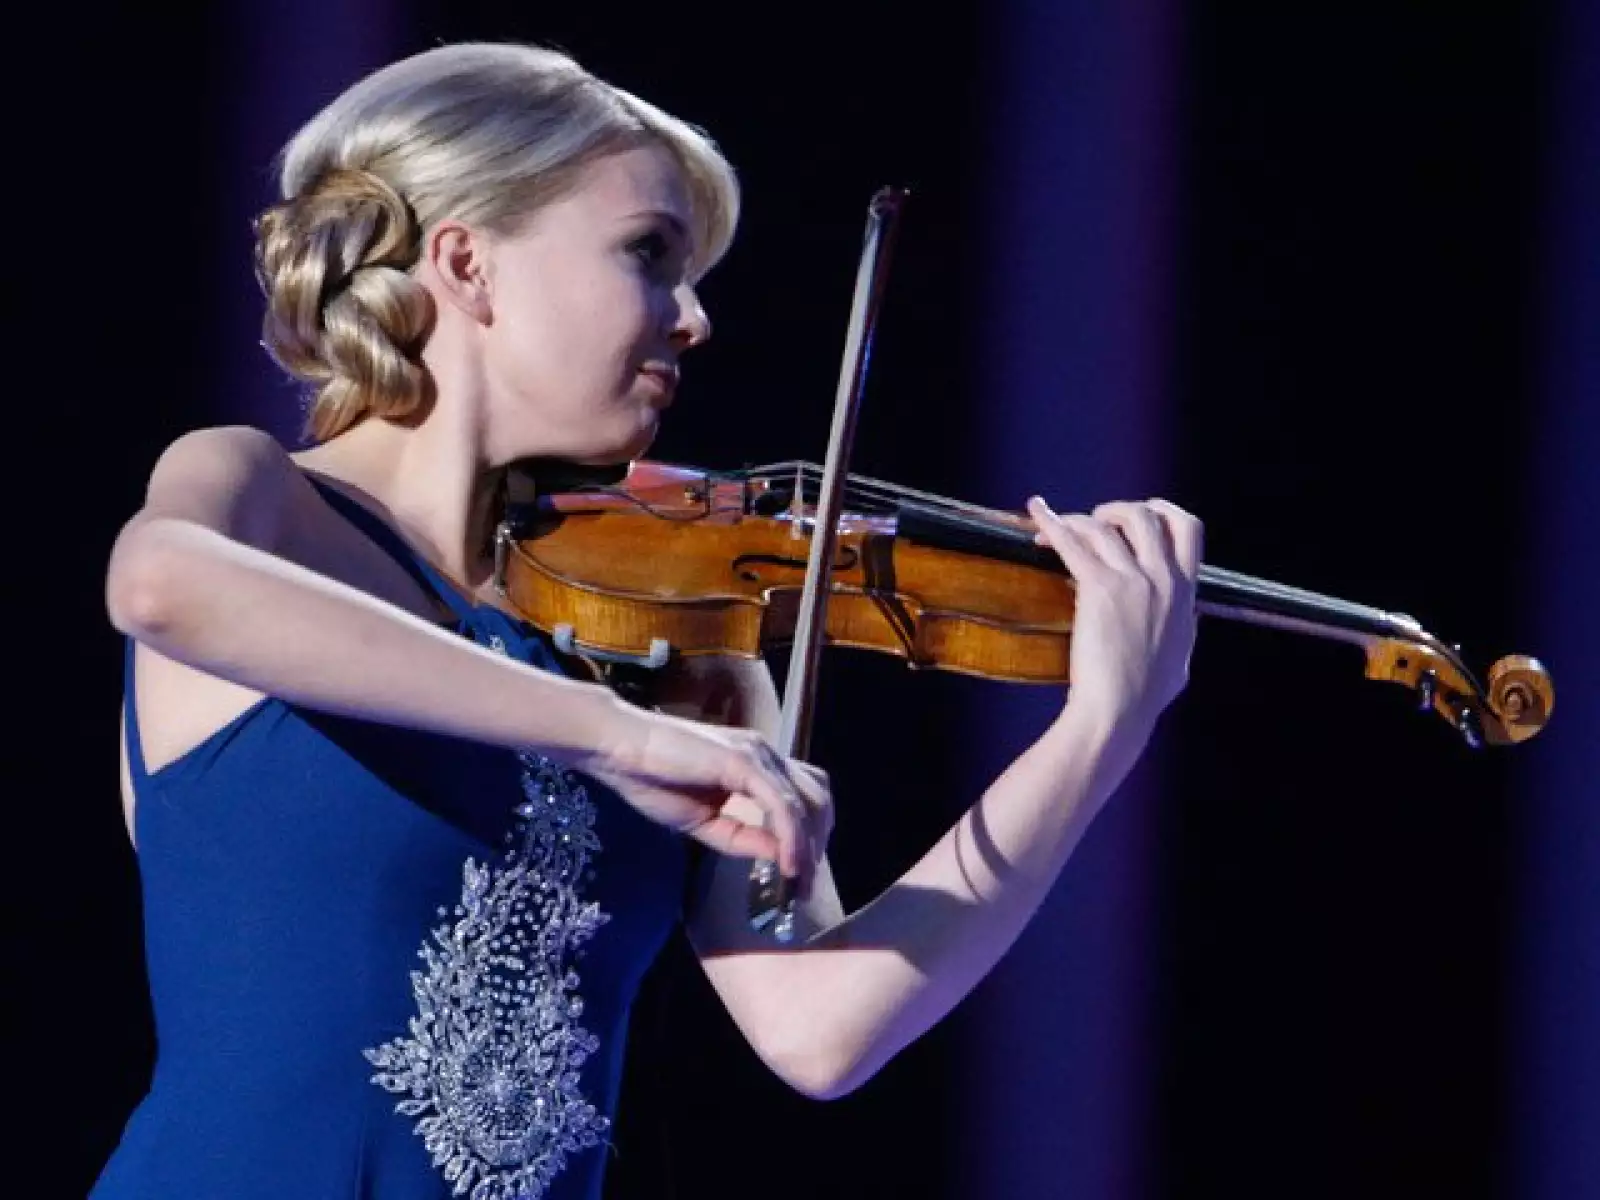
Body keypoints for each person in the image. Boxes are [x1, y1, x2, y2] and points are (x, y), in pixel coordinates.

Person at [92, 39, 1202, 1200]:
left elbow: (822, 1025)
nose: (694, 320)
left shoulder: (666, 646)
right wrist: (613, 734)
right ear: (468, 265)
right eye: (649, 256)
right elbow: (159, 586)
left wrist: (1100, 729)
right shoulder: (262, 499)